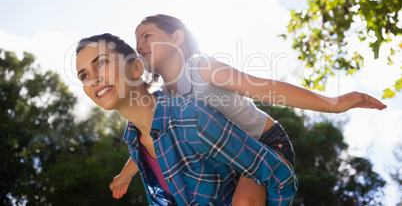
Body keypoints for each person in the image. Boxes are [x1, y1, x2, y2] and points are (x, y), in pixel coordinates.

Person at [133, 14, 387, 205]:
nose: (139, 45)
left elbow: (263, 88)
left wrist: (332, 104)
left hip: (265, 146)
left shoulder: (201, 68)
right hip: (227, 162)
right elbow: (152, 139)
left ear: (177, 38)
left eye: (147, 36)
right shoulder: (163, 99)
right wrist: (127, 173)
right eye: (136, 41)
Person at [75, 33, 298, 206]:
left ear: (136, 67)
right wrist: (124, 177)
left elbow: (278, 177)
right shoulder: (134, 143)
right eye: (84, 76)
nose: (93, 79)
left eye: (102, 63)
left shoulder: (191, 119)